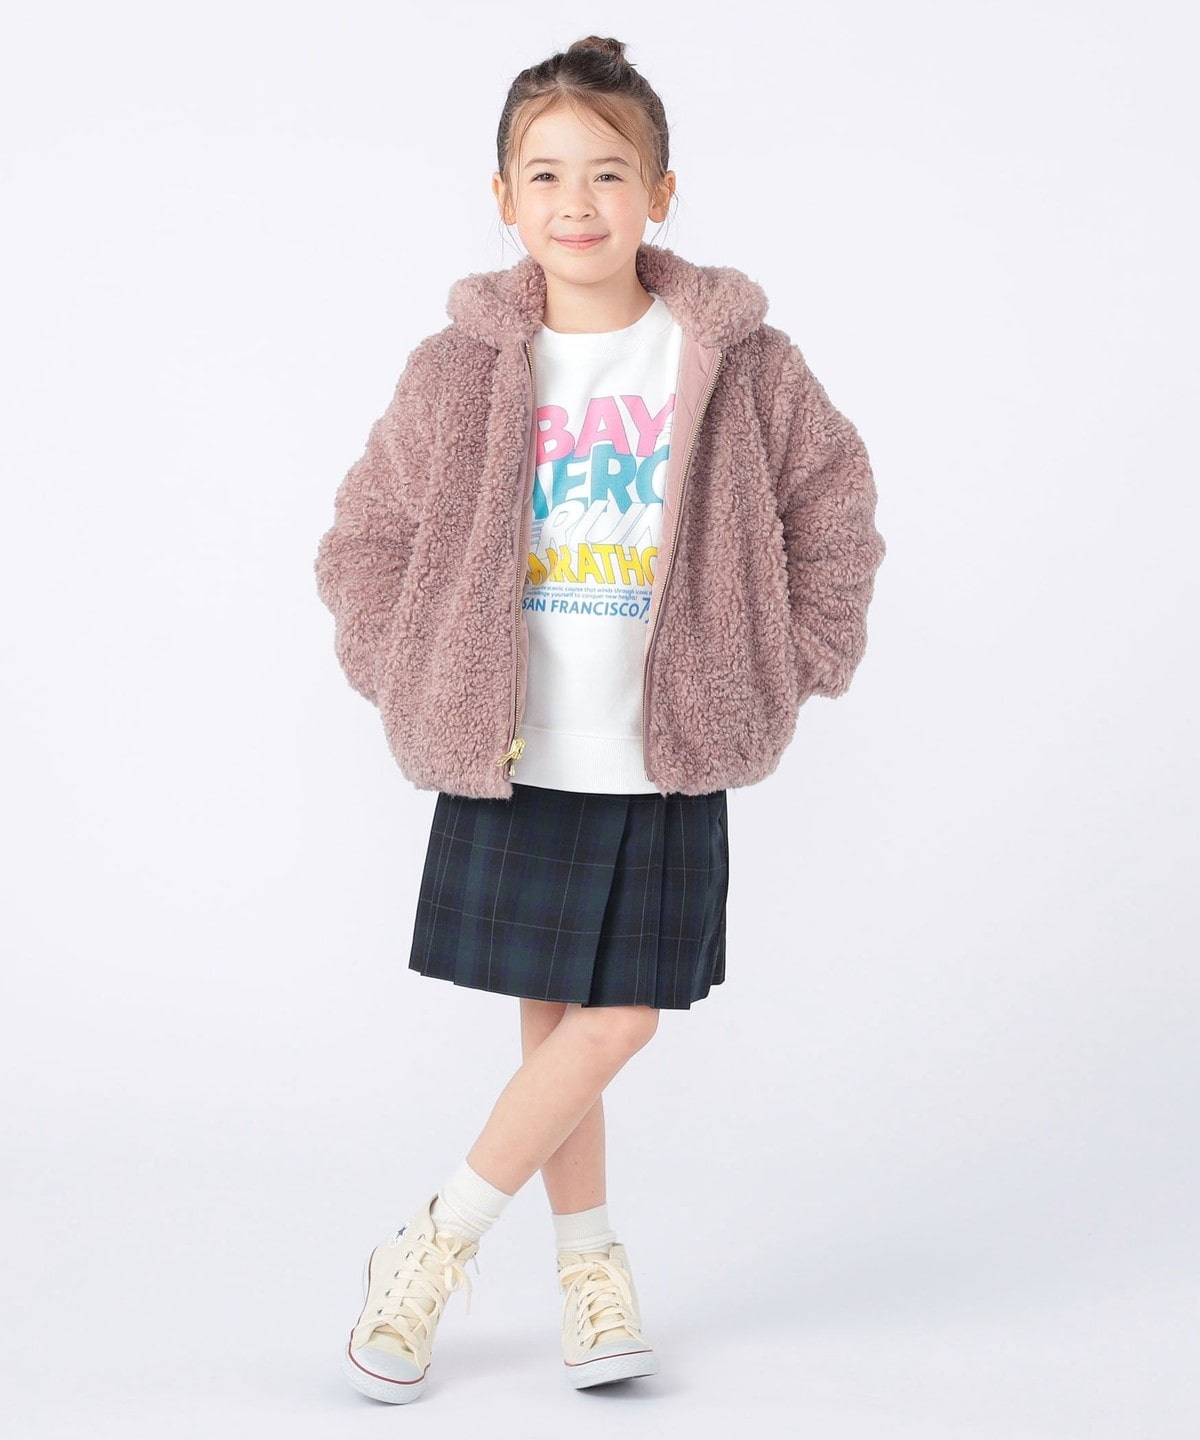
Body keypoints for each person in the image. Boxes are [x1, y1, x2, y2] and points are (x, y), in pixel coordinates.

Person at [314, 34, 885, 1404]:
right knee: (559, 1022)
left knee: (619, 1020)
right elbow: (365, 538)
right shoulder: (459, 370)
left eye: (610, 173)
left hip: (668, 740)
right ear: (503, 196)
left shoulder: (736, 362)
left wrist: (790, 660)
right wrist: (418, 672)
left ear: (662, 192)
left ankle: (432, 1243)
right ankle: (589, 1270)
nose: (578, 202)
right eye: (547, 173)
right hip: (514, 746)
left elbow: (835, 510)